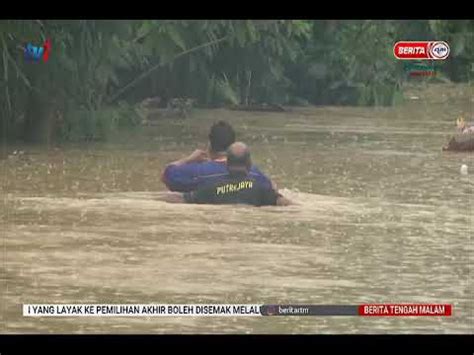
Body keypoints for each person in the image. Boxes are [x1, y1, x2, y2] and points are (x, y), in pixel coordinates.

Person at [163, 142, 292, 206]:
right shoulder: (261, 189)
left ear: (227, 163)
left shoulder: (211, 189)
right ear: (249, 164)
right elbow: (289, 205)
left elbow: (179, 199)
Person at [161, 120, 276, 192]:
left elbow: (166, 175)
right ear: (234, 146)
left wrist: (188, 159)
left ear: (210, 144)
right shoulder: (253, 173)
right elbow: (272, 188)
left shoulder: (197, 172)